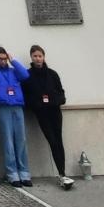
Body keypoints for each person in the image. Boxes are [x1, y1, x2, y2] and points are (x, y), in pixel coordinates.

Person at [23, 45, 74, 190]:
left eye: (40, 56)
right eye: (35, 56)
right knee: (52, 140)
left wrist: (57, 101)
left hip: (54, 111)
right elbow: (27, 95)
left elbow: (60, 92)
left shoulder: (52, 74)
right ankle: (61, 173)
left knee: (58, 140)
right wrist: (36, 105)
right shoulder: (28, 75)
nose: (38, 58)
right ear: (31, 58)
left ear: (43, 57)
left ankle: (62, 173)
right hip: (41, 113)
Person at [0, 46, 31, 187]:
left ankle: (24, 172)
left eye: (5, 59)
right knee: (8, 141)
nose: (3, 61)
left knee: (21, 139)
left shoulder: (13, 71)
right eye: (0, 59)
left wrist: (14, 61)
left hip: (17, 106)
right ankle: (12, 173)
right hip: (3, 107)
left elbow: (25, 75)